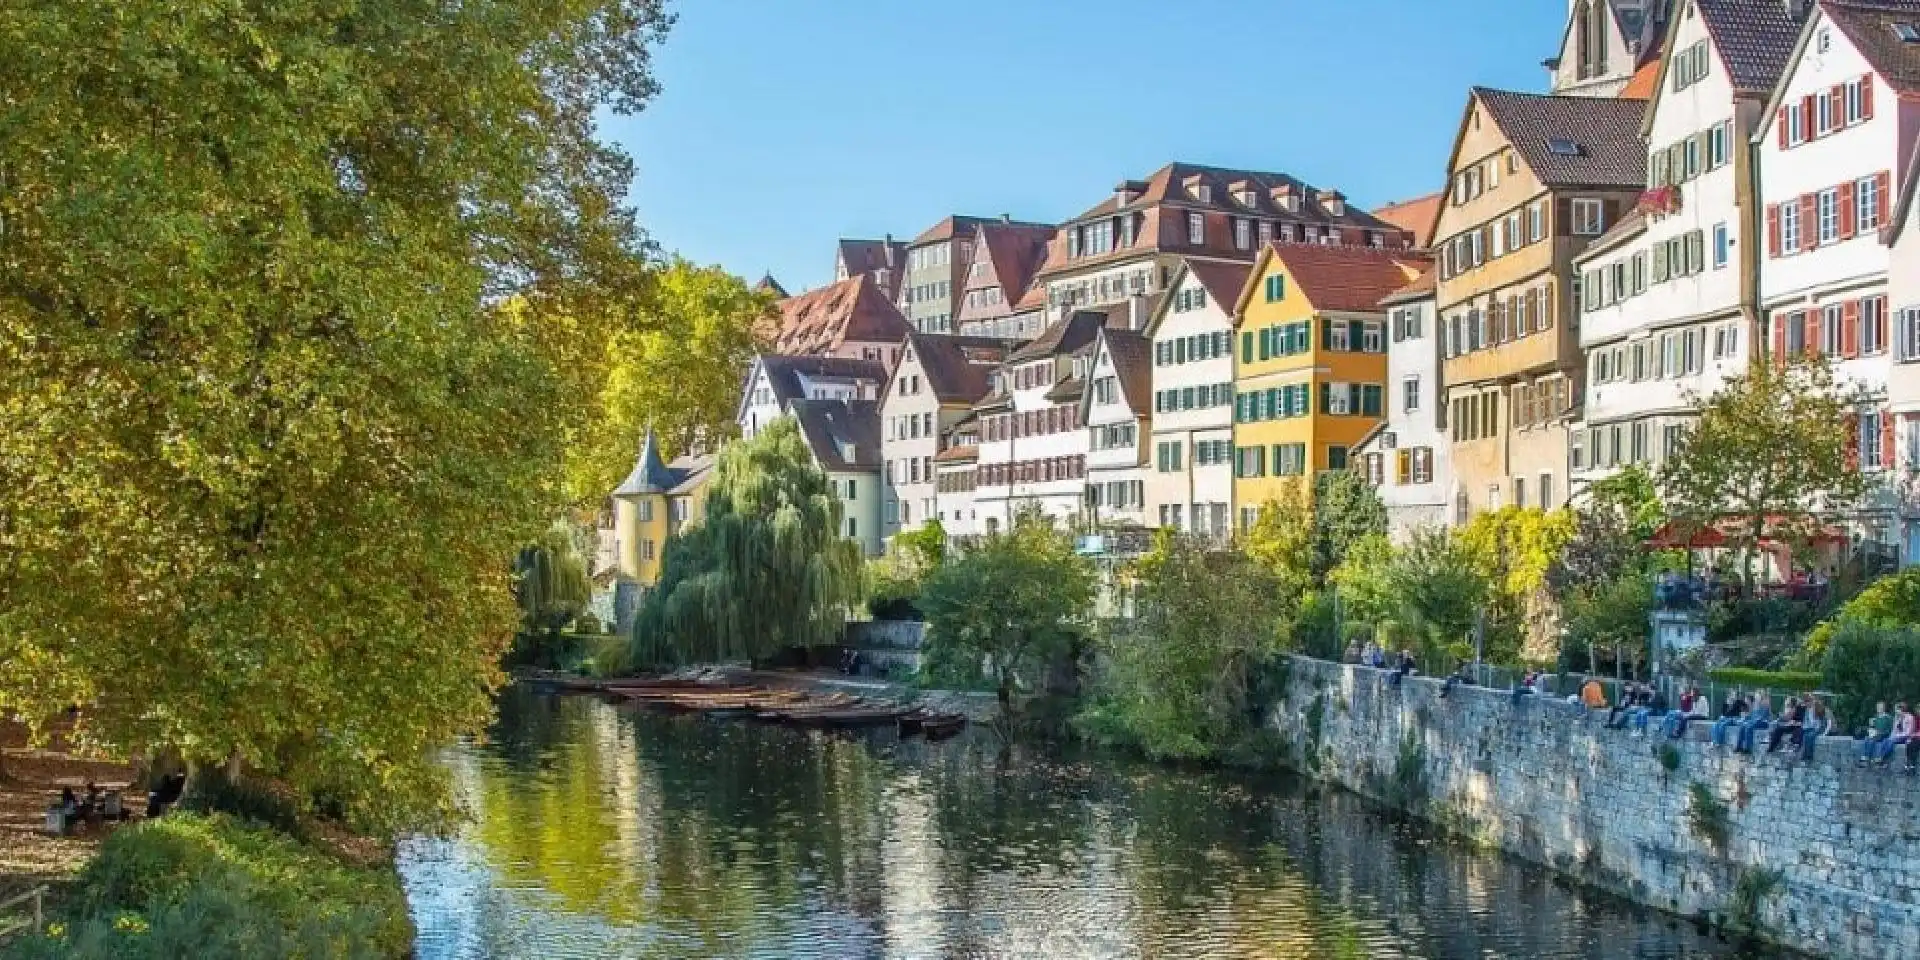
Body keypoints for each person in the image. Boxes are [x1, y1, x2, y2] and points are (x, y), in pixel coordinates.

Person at [1876, 702, 1914, 767]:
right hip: (1897, 737)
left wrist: (1896, 736)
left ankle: (1881, 758)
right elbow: (1894, 730)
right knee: (1886, 740)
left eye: (1897, 709)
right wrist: (1891, 736)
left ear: (1902, 710)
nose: (1895, 711)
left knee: (1891, 741)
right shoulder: (1897, 717)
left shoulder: (1910, 717)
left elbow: (1908, 732)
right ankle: (1882, 758)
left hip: (1906, 737)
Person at [1800, 698, 1832, 764]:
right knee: (1806, 735)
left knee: (1810, 736)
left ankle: (1809, 756)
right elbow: (1814, 723)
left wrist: (1824, 734)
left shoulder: (1826, 711)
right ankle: (1805, 754)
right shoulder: (1814, 710)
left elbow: (1829, 724)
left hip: (1824, 729)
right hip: (1817, 728)